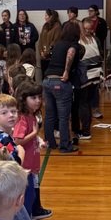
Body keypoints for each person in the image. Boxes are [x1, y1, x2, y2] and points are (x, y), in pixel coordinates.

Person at [14, 79, 52, 220]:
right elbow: (17, 140)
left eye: (39, 97)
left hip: (33, 161)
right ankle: (28, 218)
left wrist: (40, 141)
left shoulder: (31, 115)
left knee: (35, 188)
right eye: (33, 98)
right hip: (26, 164)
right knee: (28, 192)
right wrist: (34, 133)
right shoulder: (23, 119)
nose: (38, 101)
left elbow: (33, 135)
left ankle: (36, 211)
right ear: (24, 99)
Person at [42, 20, 81, 154]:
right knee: (63, 117)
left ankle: (50, 143)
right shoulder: (73, 45)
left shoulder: (58, 44)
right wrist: (66, 71)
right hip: (60, 82)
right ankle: (65, 146)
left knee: (50, 115)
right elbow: (71, 53)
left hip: (47, 81)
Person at [77, 18, 103, 140]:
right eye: (85, 28)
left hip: (89, 76)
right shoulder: (90, 39)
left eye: (89, 28)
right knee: (86, 103)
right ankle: (86, 128)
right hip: (93, 75)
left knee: (84, 103)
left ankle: (86, 130)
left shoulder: (92, 40)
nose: (87, 30)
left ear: (92, 28)